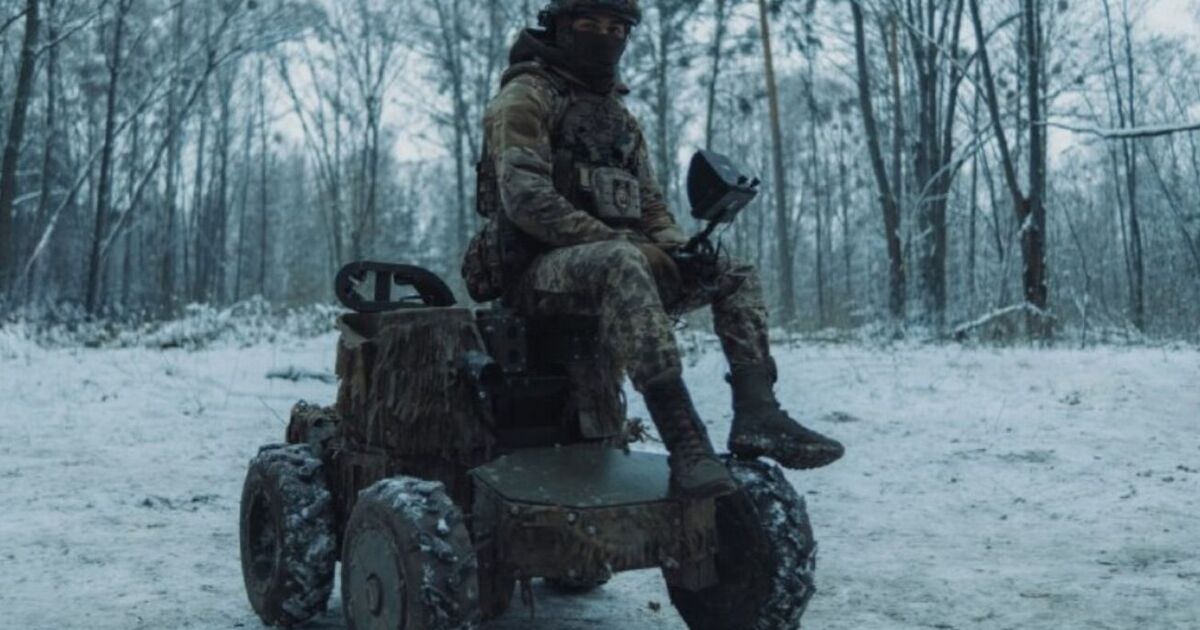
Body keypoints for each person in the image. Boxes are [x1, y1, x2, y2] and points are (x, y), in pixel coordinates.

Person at [463, 0, 844, 499]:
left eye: (616, 28)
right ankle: (687, 442)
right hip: (534, 274)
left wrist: (680, 251)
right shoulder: (526, 97)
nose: (604, 36)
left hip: (613, 267)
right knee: (622, 262)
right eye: (588, 25)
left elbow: (650, 208)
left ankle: (757, 412)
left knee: (732, 272)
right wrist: (624, 245)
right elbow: (526, 200)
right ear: (557, 27)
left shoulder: (617, 116)